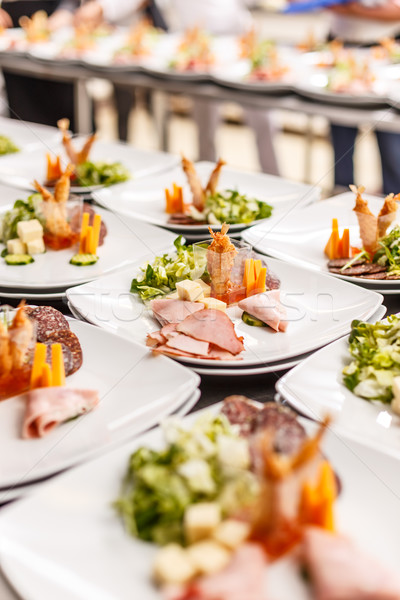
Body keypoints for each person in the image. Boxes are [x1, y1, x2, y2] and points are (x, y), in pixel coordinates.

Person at [74, 0, 280, 174]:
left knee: (264, 122)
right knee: (205, 127)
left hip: (240, 42)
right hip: (197, 48)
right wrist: (102, 7)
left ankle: (275, 181)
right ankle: (206, 186)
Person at [328, 0, 400, 194]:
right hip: (341, 49)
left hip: (384, 53)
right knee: (341, 142)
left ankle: (392, 200)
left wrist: (351, 9)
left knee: (391, 143)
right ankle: (341, 201)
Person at [0, 0, 80, 129]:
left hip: (56, 42)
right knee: (24, 117)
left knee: (63, 116)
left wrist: (66, 11)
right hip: (15, 43)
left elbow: (71, 3)